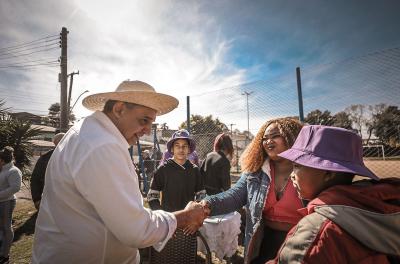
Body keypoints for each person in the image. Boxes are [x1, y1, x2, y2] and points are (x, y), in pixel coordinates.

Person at [31, 80, 207, 264]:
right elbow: (137, 229)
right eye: (144, 120)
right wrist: (186, 216)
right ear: (119, 109)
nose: (147, 131)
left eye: (151, 123)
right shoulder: (102, 145)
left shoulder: (90, 133)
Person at [268, 125, 400, 263]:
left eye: (296, 166)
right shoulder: (385, 203)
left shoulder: (316, 232)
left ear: (328, 173)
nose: (291, 176)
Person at [198, 117, 304, 263]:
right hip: (262, 242)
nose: (268, 141)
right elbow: (234, 196)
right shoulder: (256, 172)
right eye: (265, 138)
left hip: (302, 243)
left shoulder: (309, 171)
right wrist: (206, 204)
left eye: (275, 136)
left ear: (292, 138)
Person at [147, 129, 205, 212]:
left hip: (188, 219)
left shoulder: (194, 170)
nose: (181, 149)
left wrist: (194, 210)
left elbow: (201, 195)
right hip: (169, 219)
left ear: (189, 149)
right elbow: (152, 196)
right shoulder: (163, 169)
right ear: (172, 149)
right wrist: (161, 214)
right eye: (177, 146)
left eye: (184, 146)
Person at [30, 132, 65, 210]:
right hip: (50, 200)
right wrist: (37, 199)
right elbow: (35, 179)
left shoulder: (75, 156)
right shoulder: (45, 158)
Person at [0, 146, 22, 264]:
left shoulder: (13, 171)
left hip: (7, 203)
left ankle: (5, 255)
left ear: (2, 160)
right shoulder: (2, 170)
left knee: (6, 227)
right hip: (1, 202)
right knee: (1, 228)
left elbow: (15, 188)